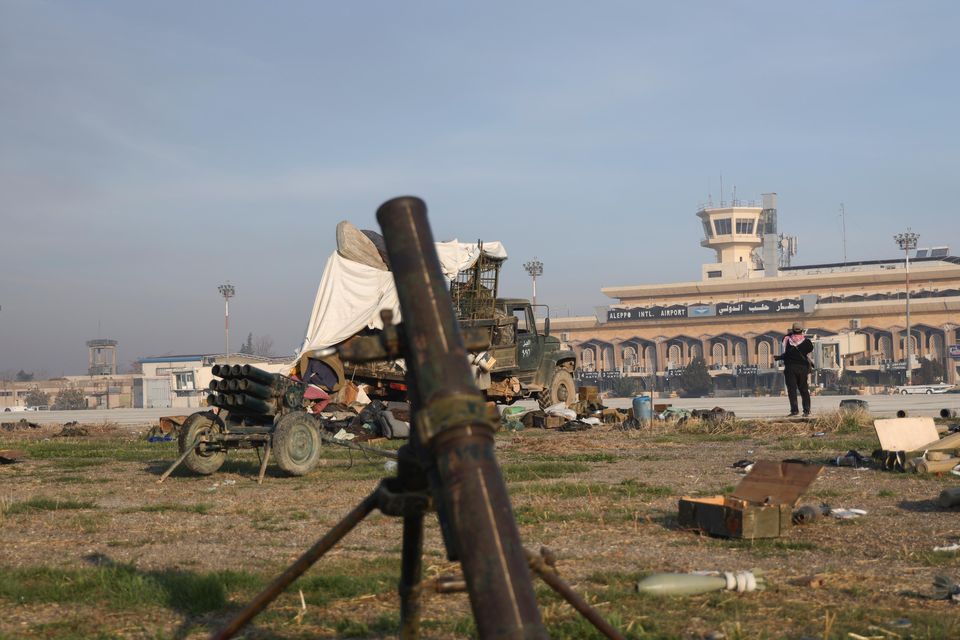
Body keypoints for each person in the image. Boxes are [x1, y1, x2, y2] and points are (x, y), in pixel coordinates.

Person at [774, 321, 813, 417]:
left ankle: (794, 411)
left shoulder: (787, 340)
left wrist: (779, 357)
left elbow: (787, 354)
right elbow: (809, 349)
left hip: (790, 368)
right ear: (802, 330)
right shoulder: (807, 342)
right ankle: (806, 411)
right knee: (804, 389)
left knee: (792, 390)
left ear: (792, 330)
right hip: (802, 368)